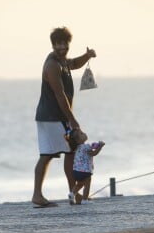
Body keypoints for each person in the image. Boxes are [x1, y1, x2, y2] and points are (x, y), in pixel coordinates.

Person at [32, 26, 97, 207]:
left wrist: (88, 56)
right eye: (58, 44)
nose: (62, 48)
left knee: (65, 153)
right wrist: (73, 120)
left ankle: (71, 193)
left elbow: (74, 64)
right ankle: (52, 195)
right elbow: (60, 95)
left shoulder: (62, 61)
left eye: (65, 44)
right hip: (52, 117)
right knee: (54, 154)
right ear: (53, 45)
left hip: (53, 117)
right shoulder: (53, 65)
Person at [67, 128, 105, 205]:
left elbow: (88, 152)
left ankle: (72, 193)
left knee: (80, 184)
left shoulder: (77, 148)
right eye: (81, 134)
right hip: (85, 171)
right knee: (87, 184)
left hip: (76, 171)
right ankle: (84, 200)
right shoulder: (86, 147)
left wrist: (94, 146)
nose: (84, 133)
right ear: (78, 140)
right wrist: (100, 146)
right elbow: (93, 153)